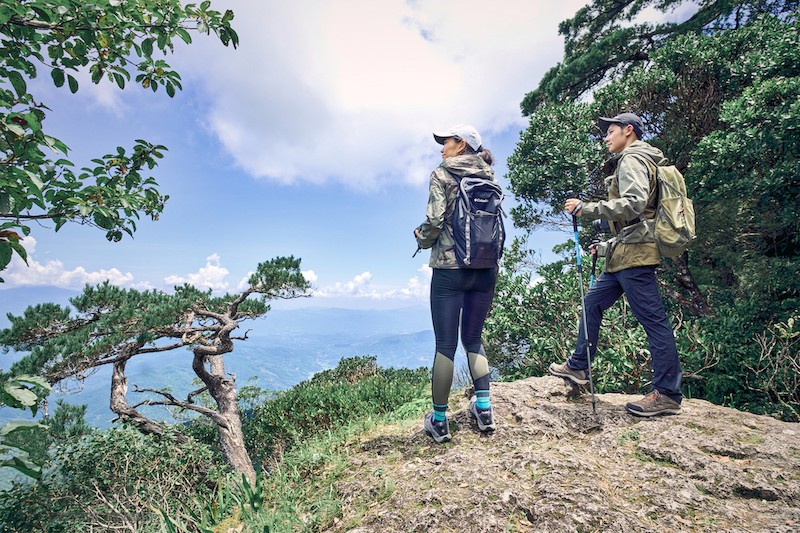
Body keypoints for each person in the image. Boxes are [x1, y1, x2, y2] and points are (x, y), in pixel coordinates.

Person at [549, 112, 683, 417]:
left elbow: (634, 204)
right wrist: (608, 245)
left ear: (628, 131)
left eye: (610, 131)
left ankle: (668, 394)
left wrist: (587, 208)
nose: (606, 137)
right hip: (624, 253)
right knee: (592, 303)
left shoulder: (632, 159)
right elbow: (639, 220)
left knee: (654, 323)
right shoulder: (643, 160)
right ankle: (579, 367)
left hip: (635, 258)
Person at [414, 124, 499, 443]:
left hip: (450, 269)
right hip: (486, 267)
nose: (441, 148)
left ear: (461, 144)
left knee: (445, 345)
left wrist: (421, 239)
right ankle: (485, 410)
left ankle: (438, 420)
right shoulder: (488, 175)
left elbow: (434, 220)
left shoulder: (442, 174)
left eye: (446, 142)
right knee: (474, 339)